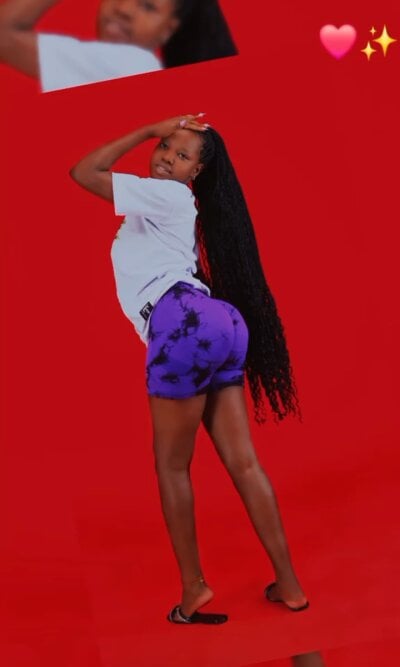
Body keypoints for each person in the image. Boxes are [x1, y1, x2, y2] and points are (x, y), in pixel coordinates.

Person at [69, 114, 309, 624]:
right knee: (244, 463)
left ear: (196, 172)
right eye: (164, 147)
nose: (166, 158)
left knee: (172, 466)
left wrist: (143, 129)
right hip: (220, 321)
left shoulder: (167, 196)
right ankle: (289, 584)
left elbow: (84, 171)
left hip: (182, 324)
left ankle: (194, 588)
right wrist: (156, 136)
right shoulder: (159, 208)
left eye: (181, 156)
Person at [0, 0, 238, 92]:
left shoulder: (133, 64)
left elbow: (3, 34)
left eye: (148, 6)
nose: (123, 9)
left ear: (168, 29)